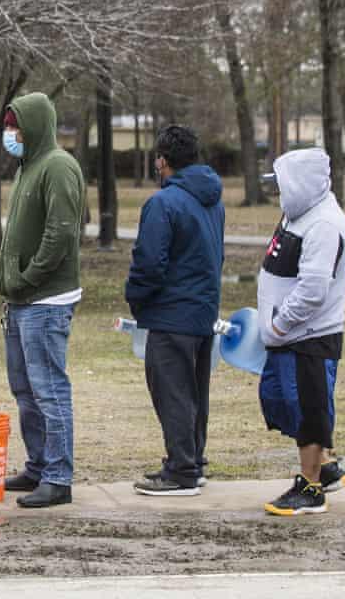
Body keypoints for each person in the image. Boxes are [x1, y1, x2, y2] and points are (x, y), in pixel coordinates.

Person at [0, 92, 85, 508]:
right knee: (25, 389)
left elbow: (61, 233)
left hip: (46, 301)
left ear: (34, 127)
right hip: (21, 301)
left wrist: (29, 278)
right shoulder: (27, 167)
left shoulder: (58, 166)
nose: (9, 134)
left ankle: (58, 477)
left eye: (15, 126)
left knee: (49, 389)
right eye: (7, 126)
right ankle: (37, 466)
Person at [126, 125, 225, 497]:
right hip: (202, 312)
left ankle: (181, 470)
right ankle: (193, 461)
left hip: (169, 315)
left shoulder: (163, 203)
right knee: (195, 393)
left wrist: (137, 298)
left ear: (162, 161)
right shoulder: (212, 200)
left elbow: (149, 262)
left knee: (172, 393)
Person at [256, 148, 345, 516]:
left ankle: (310, 488)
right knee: (282, 402)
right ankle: (324, 466)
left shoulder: (324, 224)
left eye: (282, 185)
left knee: (308, 408)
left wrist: (281, 322)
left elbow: (313, 290)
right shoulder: (298, 216)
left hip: (308, 335)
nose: (279, 193)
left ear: (301, 184)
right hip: (285, 336)